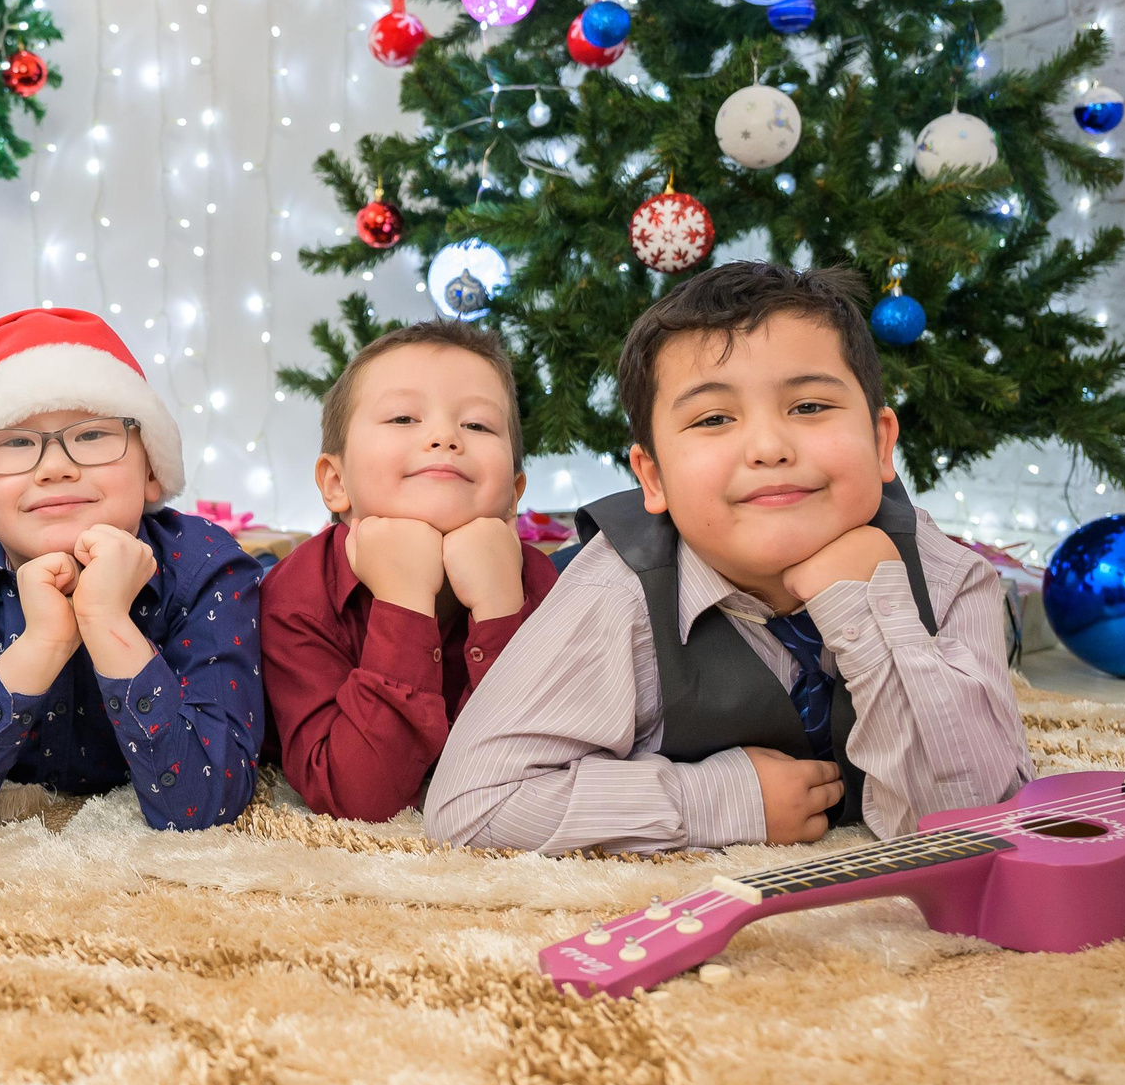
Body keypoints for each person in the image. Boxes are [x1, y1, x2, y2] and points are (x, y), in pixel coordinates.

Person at [424, 263, 1030, 854]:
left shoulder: (948, 575)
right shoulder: (615, 589)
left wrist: (867, 610)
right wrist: (714, 799)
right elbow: (471, 802)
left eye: (810, 407)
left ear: (879, 444)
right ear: (653, 478)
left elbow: (979, 817)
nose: (768, 447)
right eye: (714, 418)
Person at [0, 308, 262, 831]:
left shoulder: (208, 567)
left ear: (152, 471)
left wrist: (107, 619)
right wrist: (42, 643)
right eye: (16, 442)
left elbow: (205, 805)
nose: (55, 467)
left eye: (92, 436)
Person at [260, 320, 558, 822]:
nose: (444, 437)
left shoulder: (537, 582)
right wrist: (404, 599)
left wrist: (499, 607)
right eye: (403, 418)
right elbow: (358, 799)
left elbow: (538, 775)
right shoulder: (294, 594)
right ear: (336, 482)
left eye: (478, 425)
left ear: (515, 491)